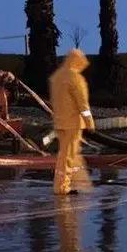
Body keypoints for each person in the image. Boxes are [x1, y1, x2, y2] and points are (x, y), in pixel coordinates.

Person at [48, 48, 96, 195]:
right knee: (68, 156)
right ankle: (63, 187)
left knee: (63, 156)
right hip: (73, 123)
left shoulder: (57, 77)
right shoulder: (75, 78)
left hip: (60, 122)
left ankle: (62, 184)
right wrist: (89, 122)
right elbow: (82, 104)